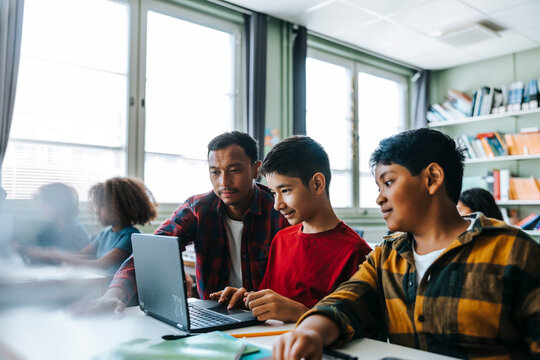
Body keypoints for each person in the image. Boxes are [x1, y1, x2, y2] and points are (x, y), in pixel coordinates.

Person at [273, 128, 540, 359]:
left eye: (388, 182)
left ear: (432, 178)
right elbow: (346, 302)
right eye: (378, 187)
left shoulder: (513, 250)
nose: (379, 199)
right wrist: (310, 332)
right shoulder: (387, 255)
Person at [73, 131, 289, 315]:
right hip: (215, 317)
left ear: (255, 169)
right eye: (215, 172)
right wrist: (114, 293)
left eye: (234, 171)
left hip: (268, 319)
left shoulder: (281, 210)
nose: (224, 182)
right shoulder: (198, 209)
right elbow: (151, 253)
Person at [210, 136, 372, 323]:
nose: (277, 205)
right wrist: (245, 302)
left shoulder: (355, 252)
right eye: (273, 193)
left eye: (285, 191)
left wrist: (302, 313)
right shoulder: (281, 239)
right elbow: (271, 301)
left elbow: (362, 328)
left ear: (317, 184)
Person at [20, 177, 158, 275]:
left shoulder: (130, 237)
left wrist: (57, 255)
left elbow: (101, 264)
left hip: (112, 291)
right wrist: (50, 253)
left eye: (102, 206)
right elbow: (80, 255)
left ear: (120, 207)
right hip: (98, 284)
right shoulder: (105, 234)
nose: (97, 211)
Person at [33, 182, 90, 251]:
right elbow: (35, 245)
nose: (43, 207)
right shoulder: (50, 227)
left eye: (45, 204)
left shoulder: (77, 230)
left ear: (58, 205)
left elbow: (74, 256)